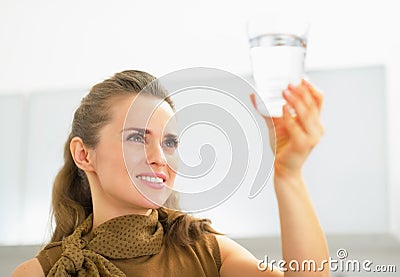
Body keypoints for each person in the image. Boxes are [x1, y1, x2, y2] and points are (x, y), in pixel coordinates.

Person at [12, 70, 329, 276]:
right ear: (84, 154)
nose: (159, 158)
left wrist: (289, 175)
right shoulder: (42, 272)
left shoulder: (205, 251)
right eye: (137, 137)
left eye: (170, 142)